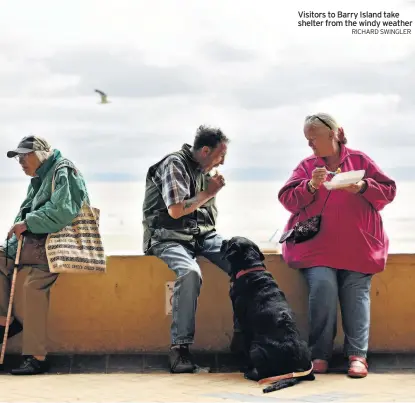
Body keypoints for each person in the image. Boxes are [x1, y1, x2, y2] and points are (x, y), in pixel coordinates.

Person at [278, 113, 396, 379]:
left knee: (357, 293)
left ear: (332, 135)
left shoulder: (360, 160)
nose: (310, 145)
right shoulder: (307, 165)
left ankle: (357, 356)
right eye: (307, 140)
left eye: (313, 139)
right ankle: (319, 353)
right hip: (317, 249)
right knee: (323, 287)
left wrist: (364, 186)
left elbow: (388, 190)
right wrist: (310, 186)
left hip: (358, 246)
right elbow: (287, 199)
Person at [143, 125, 239, 373]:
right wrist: (209, 192)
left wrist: (208, 192)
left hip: (201, 236)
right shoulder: (174, 164)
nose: (223, 162)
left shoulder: (203, 170)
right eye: (221, 155)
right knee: (190, 272)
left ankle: (244, 336)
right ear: (205, 150)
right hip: (168, 237)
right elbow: (176, 210)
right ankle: (179, 349)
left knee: (243, 263)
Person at [2, 135, 89, 375]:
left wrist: (28, 222)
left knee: (33, 287)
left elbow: (63, 211)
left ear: (40, 154)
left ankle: (36, 356)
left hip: (57, 244)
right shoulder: (39, 178)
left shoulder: (64, 171)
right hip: (38, 242)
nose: (20, 162)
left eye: (24, 156)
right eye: (18, 157)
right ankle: (5, 322)